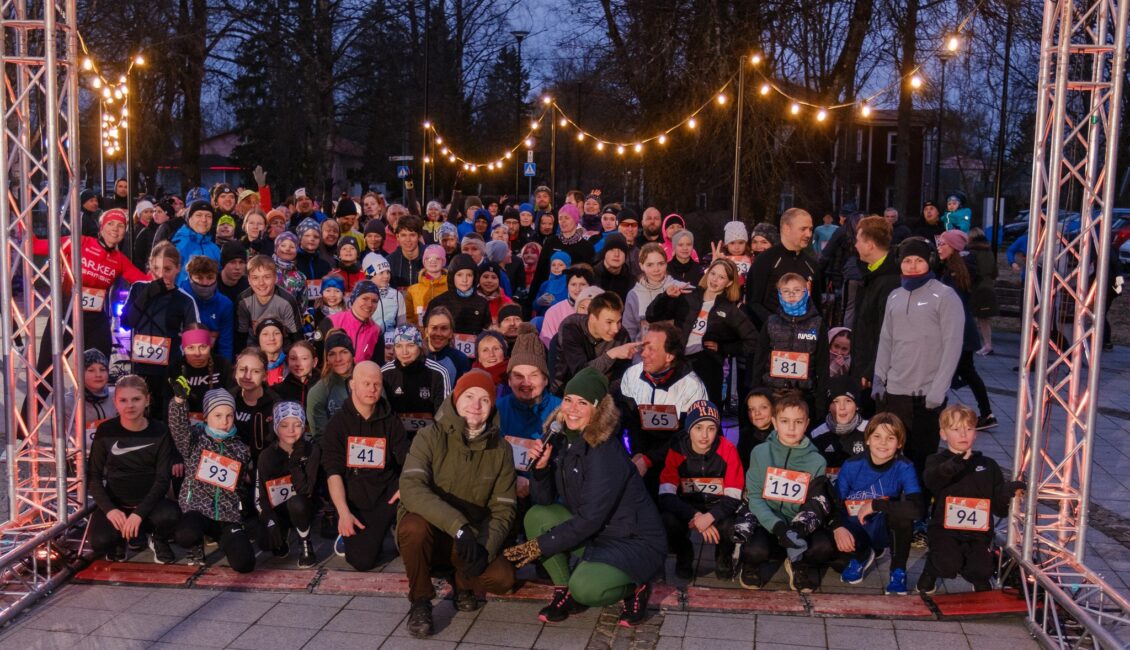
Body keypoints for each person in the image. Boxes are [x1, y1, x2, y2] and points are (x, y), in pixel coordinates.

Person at [505, 367, 664, 626]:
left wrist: (538, 546)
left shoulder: (604, 451)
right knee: (537, 516)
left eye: (582, 403)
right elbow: (543, 501)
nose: (572, 409)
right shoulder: (559, 438)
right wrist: (541, 470)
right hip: (596, 531)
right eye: (568, 400)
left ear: (597, 409)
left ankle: (637, 585)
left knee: (587, 590)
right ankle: (564, 590)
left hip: (631, 539)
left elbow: (590, 518)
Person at [398, 370, 518, 638]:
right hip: (433, 529)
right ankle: (420, 600)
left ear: (492, 406)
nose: (476, 405)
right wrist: (458, 526)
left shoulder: (501, 450)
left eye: (484, 400)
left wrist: (485, 548)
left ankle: (463, 581)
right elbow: (411, 487)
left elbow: (504, 508)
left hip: (469, 538)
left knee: (502, 579)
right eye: (469, 396)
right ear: (455, 399)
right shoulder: (429, 436)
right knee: (412, 527)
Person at [873, 238, 964, 475]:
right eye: (907, 261)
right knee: (892, 458)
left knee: (922, 460)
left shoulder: (945, 296)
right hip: (895, 392)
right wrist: (879, 378)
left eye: (919, 260)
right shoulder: (894, 295)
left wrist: (939, 389)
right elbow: (886, 339)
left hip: (925, 395)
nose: (912, 266)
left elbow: (953, 345)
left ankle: (920, 498)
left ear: (930, 261)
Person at [918, 404, 1025, 594]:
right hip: (944, 530)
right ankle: (931, 570)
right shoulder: (936, 461)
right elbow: (932, 480)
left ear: (975, 433)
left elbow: (999, 509)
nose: (963, 434)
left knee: (982, 569)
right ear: (943, 434)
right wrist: (957, 462)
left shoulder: (988, 465)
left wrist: (1007, 492)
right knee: (948, 564)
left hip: (978, 533)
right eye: (956, 429)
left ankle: (978, 577)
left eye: (968, 429)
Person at [321, 361, 411, 572]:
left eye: (377, 384)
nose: (372, 389)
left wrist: (405, 487)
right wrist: (343, 512)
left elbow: (407, 460)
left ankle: (395, 526)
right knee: (362, 561)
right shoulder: (337, 424)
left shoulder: (391, 420)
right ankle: (355, 533)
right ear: (352, 385)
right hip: (355, 497)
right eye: (366, 383)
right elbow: (333, 472)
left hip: (387, 494)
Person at [740, 394, 835, 592]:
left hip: (797, 524)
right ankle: (750, 564)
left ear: (806, 424)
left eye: (798, 422)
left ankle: (797, 563)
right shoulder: (760, 452)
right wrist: (777, 526)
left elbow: (815, 502)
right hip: (766, 521)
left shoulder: (817, 461)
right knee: (754, 551)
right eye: (784, 421)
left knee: (824, 548)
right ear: (774, 422)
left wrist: (797, 530)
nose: (791, 428)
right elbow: (754, 497)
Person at [87, 375, 178, 563]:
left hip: (150, 505)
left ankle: (156, 537)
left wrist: (139, 514)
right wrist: (110, 510)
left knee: (171, 515)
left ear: (147, 400)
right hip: (117, 505)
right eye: (123, 400)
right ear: (115, 402)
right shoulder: (106, 431)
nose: (130, 405)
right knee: (100, 542)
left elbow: (162, 480)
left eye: (136, 399)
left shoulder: (160, 430)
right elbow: (93, 477)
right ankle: (120, 538)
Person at [833, 412, 924, 594]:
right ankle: (861, 555)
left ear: (899, 443)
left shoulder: (904, 466)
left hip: (882, 525)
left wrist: (876, 505)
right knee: (832, 554)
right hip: (855, 525)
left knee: (903, 516)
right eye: (877, 436)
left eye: (890, 438)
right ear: (867, 439)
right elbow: (835, 502)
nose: (883, 443)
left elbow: (917, 509)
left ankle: (898, 571)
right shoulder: (851, 465)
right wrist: (837, 527)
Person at [168, 384, 256, 572]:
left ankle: (224, 540)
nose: (224, 421)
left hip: (226, 514)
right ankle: (196, 545)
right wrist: (179, 402)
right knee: (186, 535)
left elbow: (239, 486)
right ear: (206, 417)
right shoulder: (194, 440)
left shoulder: (240, 449)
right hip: (197, 509)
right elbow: (178, 427)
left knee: (245, 564)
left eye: (229, 416)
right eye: (218, 415)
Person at [647, 258, 757, 404]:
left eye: (721, 277)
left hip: (708, 367)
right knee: (675, 407)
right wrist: (666, 296)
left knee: (706, 410)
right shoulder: (687, 296)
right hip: (679, 363)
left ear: (729, 283)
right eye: (713, 273)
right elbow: (652, 316)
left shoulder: (730, 310)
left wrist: (724, 348)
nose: (715, 280)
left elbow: (753, 341)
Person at [616, 323, 709, 493]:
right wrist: (637, 453)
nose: (643, 354)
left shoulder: (692, 386)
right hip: (638, 453)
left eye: (651, 349)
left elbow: (689, 436)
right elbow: (627, 421)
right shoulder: (632, 375)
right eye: (643, 347)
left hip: (675, 457)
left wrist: (649, 459)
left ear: (669, 356)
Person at [657, 400, 744, 580]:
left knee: (730, 524)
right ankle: (684, 554)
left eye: (711, 429)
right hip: (688, 506)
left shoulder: (728, 450)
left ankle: (723, 556)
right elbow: (666, 495)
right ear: (689, 429)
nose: (704, 435)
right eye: (698, 428)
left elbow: (734, 496)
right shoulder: (677, 449)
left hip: (718, 505)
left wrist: (710, 517)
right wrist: (695, 516)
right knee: (667, 520)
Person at [122, 241, 201, 413]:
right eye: (156, 268)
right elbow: (127, 322)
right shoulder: (138, 288)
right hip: (140, 367)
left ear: (178, 268)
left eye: (167, 269)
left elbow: (194, 339)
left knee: (164, 414)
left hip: (169, 369)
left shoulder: (185, 299)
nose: (161, 274)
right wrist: (148, 292)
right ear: (149, 265)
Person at [935, 230, 996, 430]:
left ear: (954, 247)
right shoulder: (953, 268)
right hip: (961, 329)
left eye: (943, 244)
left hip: (959, 330)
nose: (939, 247)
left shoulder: (957, 271)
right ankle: (987, 413)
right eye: (939, 243)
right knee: (966, 371)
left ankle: (985, 413)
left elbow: (953, 303)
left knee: (959, 371)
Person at [749, 273, 829, 410]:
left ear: (806, 291)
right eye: (786, 291)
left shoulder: (817, 324)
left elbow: (823, 363)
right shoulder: (770, 322)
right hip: (773, 391)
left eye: (797, 290)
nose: (791, 295)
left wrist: (821, 399)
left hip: (804, 393)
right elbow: (759, 359)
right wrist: (756, 390)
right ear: (779, 294)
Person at [256, 402, 321, 567]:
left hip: (305, 506)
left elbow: (307, 489)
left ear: (303, 426)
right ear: (276, 427)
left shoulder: (311, 450)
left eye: (297, 425)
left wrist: (295, 460)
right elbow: (260, 494)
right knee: (265, 541)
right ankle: (282, 533)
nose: (291, 430)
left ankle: (305, 541)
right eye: (284, 425)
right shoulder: (266, 456)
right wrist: (269, 519)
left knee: (297, 503)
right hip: (278, 508)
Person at [850, 217, 900, 413]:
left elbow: (885, 331)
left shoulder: (889, 281)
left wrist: (872, 370)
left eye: (858, 240)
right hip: (866, 366)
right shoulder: (872, 274)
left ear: (870, 245)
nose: (855, 245)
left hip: (874, 375)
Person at [745, 208, 819, 330]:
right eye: (803, 229)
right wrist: (777, 326)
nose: (808, 234)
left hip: (803, 334)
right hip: (769, 333)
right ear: (786, 229)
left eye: (810, 229)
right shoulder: (765, 260)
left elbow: (816, 306)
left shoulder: (811, 264)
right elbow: (753, 303)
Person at [551, 291, 638, 395]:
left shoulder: (621, 335)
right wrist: (611, 355)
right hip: (566, 393)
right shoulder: (571, 328)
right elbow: (581, 373)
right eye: (609, 322)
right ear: (592, 318)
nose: (615, 329)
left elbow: (622, 377)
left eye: (619, 321)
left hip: (604, 394)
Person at [380, 325, 450, 436]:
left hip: (429, 437)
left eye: (410, 345)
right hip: (395, 436)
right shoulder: (385, 373)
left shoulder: (438, 373)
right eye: (399, 346)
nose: (404, 352)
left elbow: (444, 414)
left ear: (419, 346)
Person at [530, 204, 596, 304]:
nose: (563, 221)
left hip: (576, 296)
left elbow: (590, 276)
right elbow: (540, 271)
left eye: (567, 218)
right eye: (560, 218)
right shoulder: (550, 242)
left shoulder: (586, 246)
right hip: (550, 293)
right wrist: (531, 299)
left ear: (575, 220)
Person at [425, 254, 491, 352]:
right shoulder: (438, 302)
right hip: (443, 353)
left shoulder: (482, 303)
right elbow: (428, 330)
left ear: (474, 277)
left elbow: (486, 331)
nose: (464, 280)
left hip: (475, 355)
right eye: (459, 275)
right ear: (452, 276)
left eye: (469, 275)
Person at [235, 255, 301, 352]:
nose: (261, 283)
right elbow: (241, 336)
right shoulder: (243, 301)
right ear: (249, 280)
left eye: (267, 277)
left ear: (275, 278)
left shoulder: (287, 301)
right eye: (255, 278)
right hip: (254, 349)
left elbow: (296, 337)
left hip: (283, 349)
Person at [809, 376, 869, 476]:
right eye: (835, 401)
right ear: (829, 407)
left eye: (848, 401)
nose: (841, 407)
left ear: (857, 406)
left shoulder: (870, 431)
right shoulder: (816, 434)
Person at [181, 256, 234, 359]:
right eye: (199, 278)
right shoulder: (179, 298)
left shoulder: (225, 304)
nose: (205, 283)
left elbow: (225, 344)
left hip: (211, 357)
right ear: (190, 277)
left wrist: (225, 366)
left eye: (210, 277)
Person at [624, 243, 679, 341]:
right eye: (650, 265)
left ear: (666, 264)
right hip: (643, 348)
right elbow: (629, 330)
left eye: (661, 264)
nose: (656, 269)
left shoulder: (677, 287)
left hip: (672, 346)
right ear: (641, 266)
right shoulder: (634, 294)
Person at [307, 330, 355, 441]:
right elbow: (321, 436)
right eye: (332, 354)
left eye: (344, 352)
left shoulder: (369, 381)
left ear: (352, 354)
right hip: (334, 448)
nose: (338, 359)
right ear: (327, 359)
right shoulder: (319, 391)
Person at [539, 266, 593, 347]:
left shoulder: (598, 309)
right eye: (573, 284)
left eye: (582, 284)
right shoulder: (553, 311)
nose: (577, 289)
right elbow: (548, 341)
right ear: (567, 286)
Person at [171, 201, 222, 285]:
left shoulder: (215, 249)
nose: (204, 220)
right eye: (198, 215)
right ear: (189, 218)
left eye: (208, 216)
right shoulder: (177, 245)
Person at [966, 228, 999, 356]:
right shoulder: (989, 252)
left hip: (977, 288)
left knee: (978, 318)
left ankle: (986, 345)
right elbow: (994, 272)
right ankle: (987, 344)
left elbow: (972, 271)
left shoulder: (971, 252)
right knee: (984, 319)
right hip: (988, 287)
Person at [405, 245, 448, 326]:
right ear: (424, 262)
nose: (433, 261)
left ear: (443, 261)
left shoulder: (450, 287)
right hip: (420, 332)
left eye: (437, 258)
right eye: (428, 258)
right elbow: (409, 319)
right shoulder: (412, 290)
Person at [737, 389, 775, 472]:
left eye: (763, 407)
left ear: (774, 408)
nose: (757, 413)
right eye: (751, 409)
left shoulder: (782, 434)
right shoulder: (745, 435)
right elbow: (741, 465)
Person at [274, 340, 318, 406]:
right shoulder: (279, 390)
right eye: (293, 359)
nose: (298, 364)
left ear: (314, 362)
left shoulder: (326, 387)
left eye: (304, 358)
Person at [593, 233, 635, 302]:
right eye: (612, 250)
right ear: (604, 253)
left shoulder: (632, 281)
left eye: (621, 250)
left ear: (625, 256)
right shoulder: (592, 276)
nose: (616, 254)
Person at [388, 215, 426, 289]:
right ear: (397, 237)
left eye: (412, 235)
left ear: (419, 236)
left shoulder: (430, 258)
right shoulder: (390, 261)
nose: (408, 239)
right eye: (403, 235)